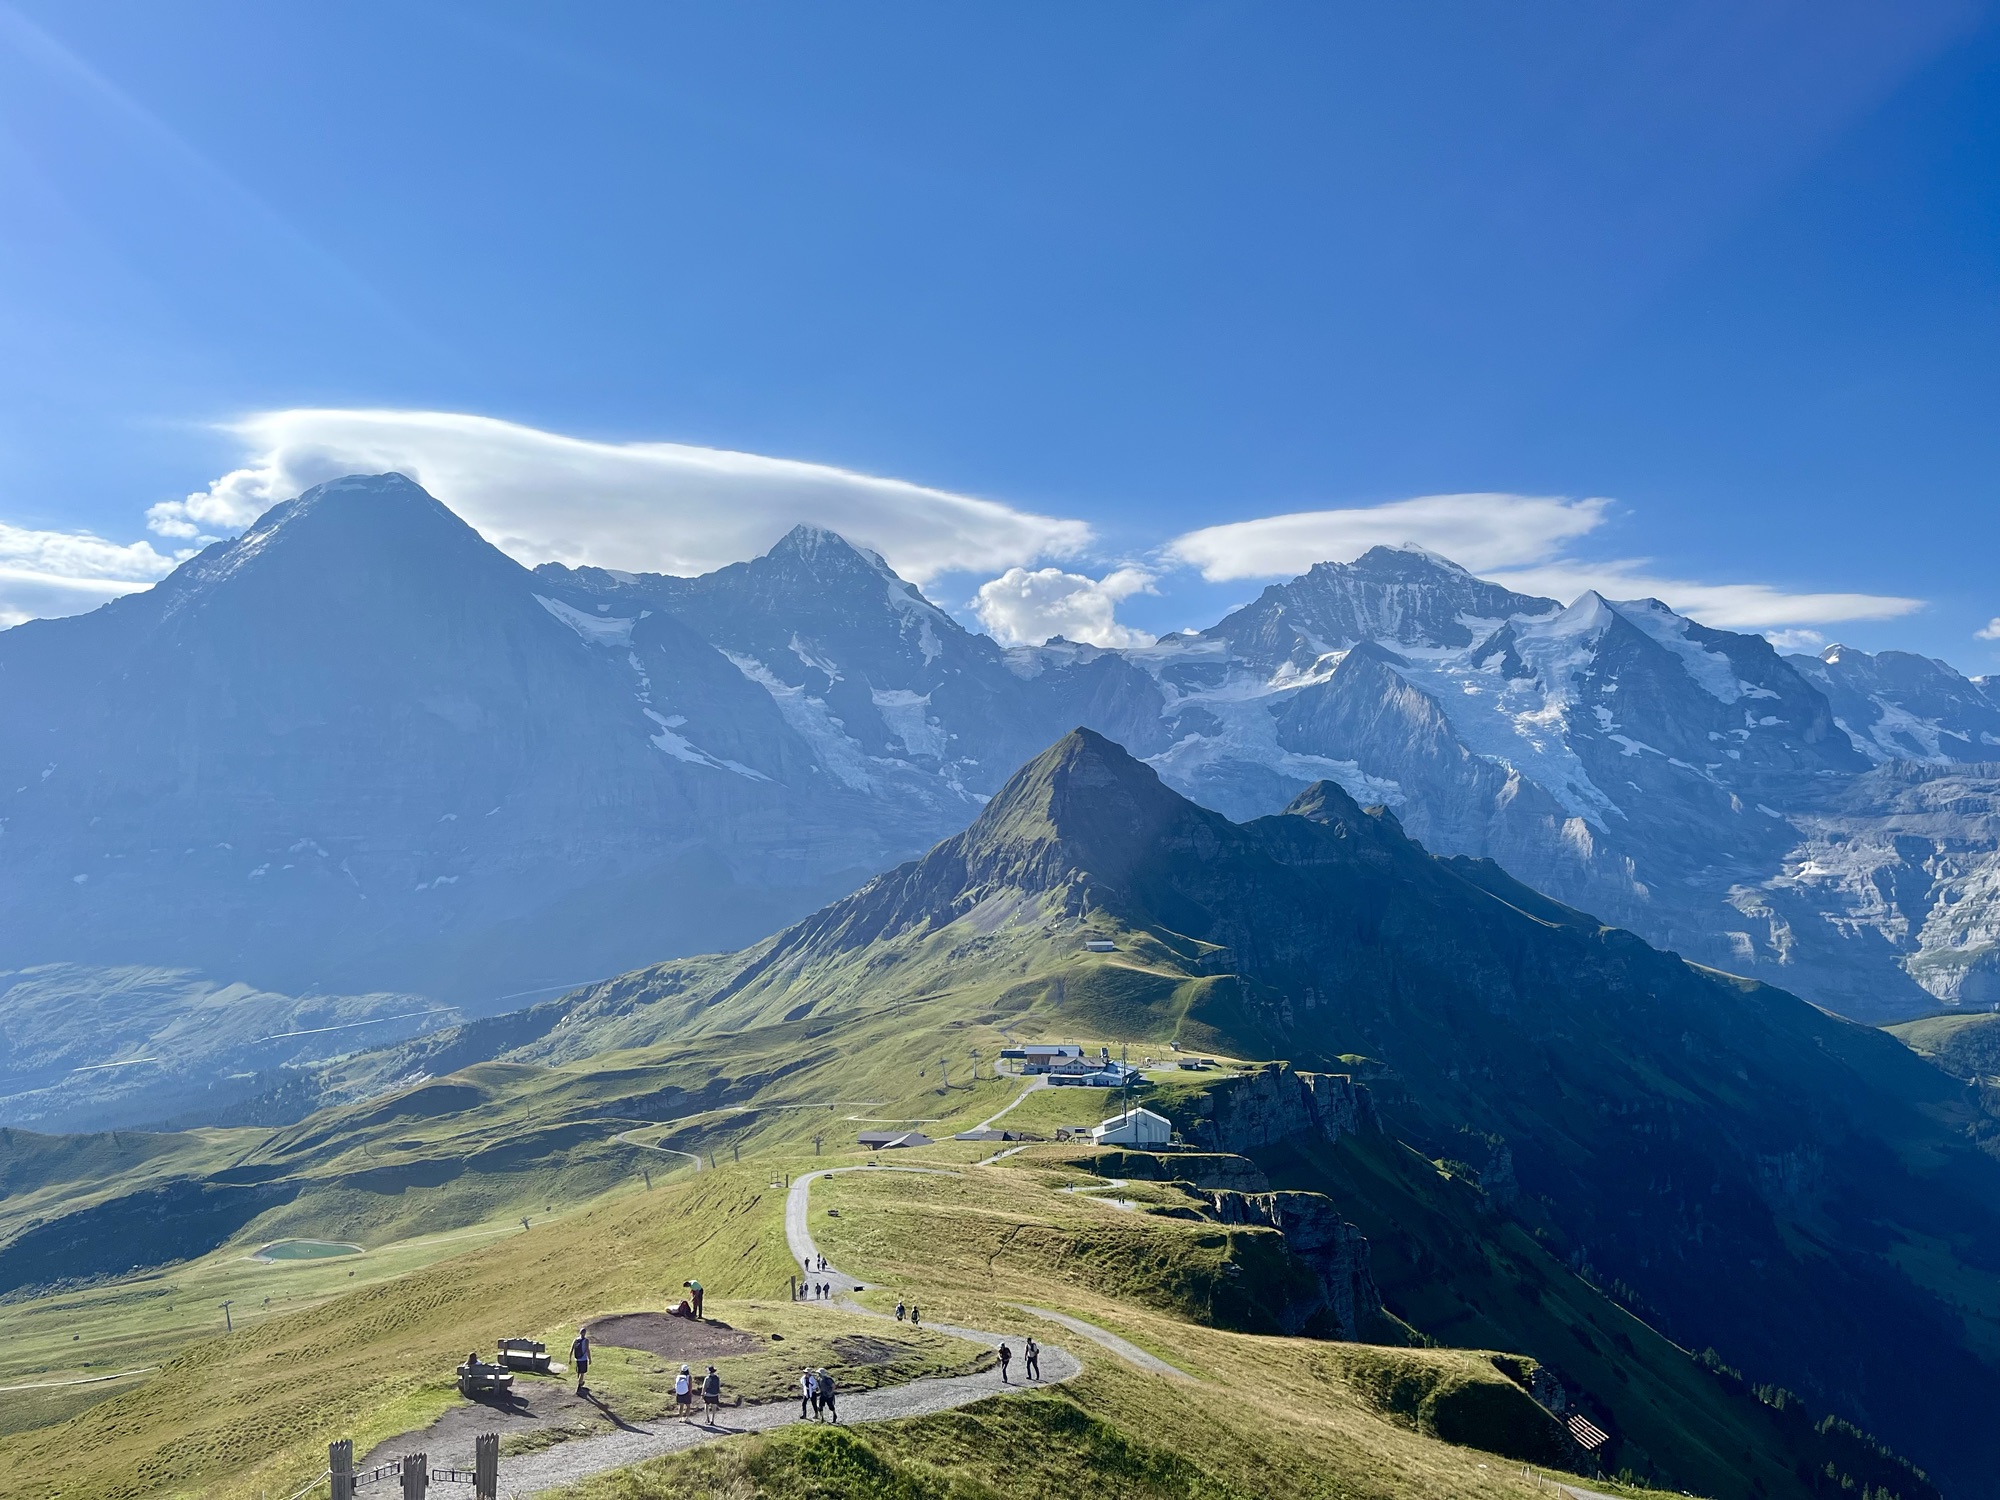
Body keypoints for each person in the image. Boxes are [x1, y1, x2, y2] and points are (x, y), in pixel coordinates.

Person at [570, 1329, 592, 1395]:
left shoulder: (576, 1340)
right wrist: (590, 1359)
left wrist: (570, 1358)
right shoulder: (586, 1340)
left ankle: (580, 1383)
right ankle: (579, 1387)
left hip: (577, 1359)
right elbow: (587, 1350)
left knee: (579, 1372)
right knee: (582, 1373)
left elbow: (571, 1349)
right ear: (585, 1333)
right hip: (583, 1359)